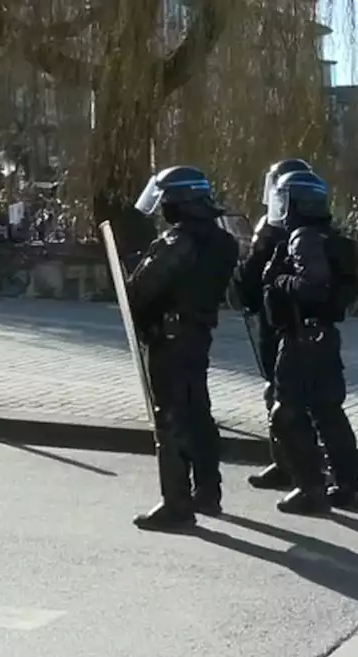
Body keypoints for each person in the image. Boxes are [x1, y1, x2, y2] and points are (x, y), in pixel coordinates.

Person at [126, 166, 239, 531]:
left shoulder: (178, 243)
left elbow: (142, 289)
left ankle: (176, 505)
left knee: (171, 419)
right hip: (198, 335)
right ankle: (208, 491)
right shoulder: (222, 240)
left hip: (170, 339)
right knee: (198, 412)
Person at [262, 169, 358, 514]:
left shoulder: (302, 237)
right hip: (323, 336)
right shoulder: (328, 237)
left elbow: (313, 284)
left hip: (301, 339)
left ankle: (311, 489)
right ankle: (347, 487)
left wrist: (278, 281)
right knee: (328, 412)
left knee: (286, 414)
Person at [234, 158, 314, 491]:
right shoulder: (319, 227)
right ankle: (304, 463)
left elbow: (251, 277)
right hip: (309, 324)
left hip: (277, 321)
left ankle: (290, 465)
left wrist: (243, 288)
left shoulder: (272, 228)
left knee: (279, 393)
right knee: (307, 396)